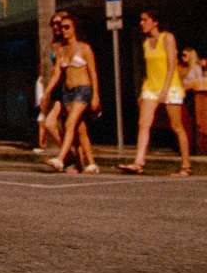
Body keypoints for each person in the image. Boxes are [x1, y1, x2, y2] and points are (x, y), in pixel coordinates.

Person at [118, 11, 191, 177]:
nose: (141, 23)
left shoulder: (167, 38)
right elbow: (148, 69)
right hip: (150, 87)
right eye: (141, 20)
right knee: (143, 123)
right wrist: (143, 91)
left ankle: (186, 165)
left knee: (177, 126)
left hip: (170, 86)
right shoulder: (146, 43)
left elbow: (172, 64)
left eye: (145, 20)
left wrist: (165, 90)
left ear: (155, 21)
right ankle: (138, 163)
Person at [45, 14, 100, 174]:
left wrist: (95, 95)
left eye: (67, 27)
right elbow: (56, 74)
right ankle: (91, 163)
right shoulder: (61, 50)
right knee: (80, 129)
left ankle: (61, 159)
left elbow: (93, 72)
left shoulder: (84, 48)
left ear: (74, 28)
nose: (63, 30)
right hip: (67, 92)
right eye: (62, 27)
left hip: (83, 90)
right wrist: (47, 91)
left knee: (69, 124)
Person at [34, 13, 70, 153]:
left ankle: (81, 159)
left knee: (75, 127)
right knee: (49, 124)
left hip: (69, 87)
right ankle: (67, 154)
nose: (55, 26)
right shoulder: (55, 44)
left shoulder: (70, 43)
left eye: (58, 23)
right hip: (58, 88)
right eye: (53, 24)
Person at [180, 46, 207, 156]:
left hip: (194, 95)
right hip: (187, 95)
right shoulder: (186, 69)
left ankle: (198, 148)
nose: (183, 58)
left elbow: (199, 81)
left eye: (185, 55)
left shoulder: (196, 68)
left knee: (196, 122)